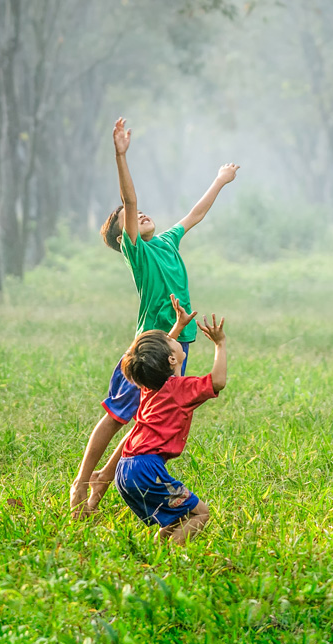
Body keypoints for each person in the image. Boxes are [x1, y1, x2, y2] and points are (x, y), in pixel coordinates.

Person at [68, 117, 239, 517]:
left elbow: (194, 214)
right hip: (149, 346)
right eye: (128, 218)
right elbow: (129, 201)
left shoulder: (165, 241)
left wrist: (219, 180)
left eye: (142, 213)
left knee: (147, 422)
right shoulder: (138, 252)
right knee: (116, 416)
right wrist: (120, 155)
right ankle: (82, 482)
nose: (139, 213)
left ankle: (98, 494)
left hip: (180, 343)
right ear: (121, 238)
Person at [108, 298, 227, 544]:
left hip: (125, 469)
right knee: (200, 513)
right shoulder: (180, 389)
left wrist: (178, 327)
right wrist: (220, 344)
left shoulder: (149, 385)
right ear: (171, 360)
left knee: (176, 520)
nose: (175, 340)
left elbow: (158, 361)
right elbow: (218, 381)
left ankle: (156, 554)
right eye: (173, 341)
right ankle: (171, 561)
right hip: (146, 470)